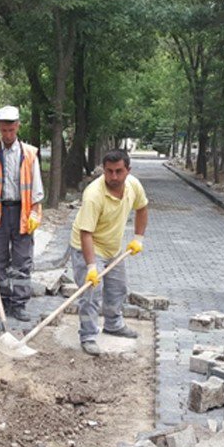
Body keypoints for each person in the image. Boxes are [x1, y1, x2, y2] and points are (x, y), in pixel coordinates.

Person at [69, 149, 148, 356]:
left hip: (113, 247)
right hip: (87, 246)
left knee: (118, 288)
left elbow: (142, 208)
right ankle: (88, 335)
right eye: (109, 171)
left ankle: (113, 324)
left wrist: (138, 238)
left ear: (128, 170)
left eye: (118, 171)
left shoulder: (133, 186)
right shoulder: (93, 195)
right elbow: (86, 233)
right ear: (103, 170)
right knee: (91, 294)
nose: (113, 177)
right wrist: (92, 267)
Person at [0, 105, 45, 322]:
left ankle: (19, 304)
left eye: (11, 130)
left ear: (17, 126)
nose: (7, 135)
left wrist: (35, 213)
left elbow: (37, 189)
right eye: (4, 131)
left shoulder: (29, 154)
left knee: (22, 261)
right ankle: (2, 301)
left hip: (21, 212)